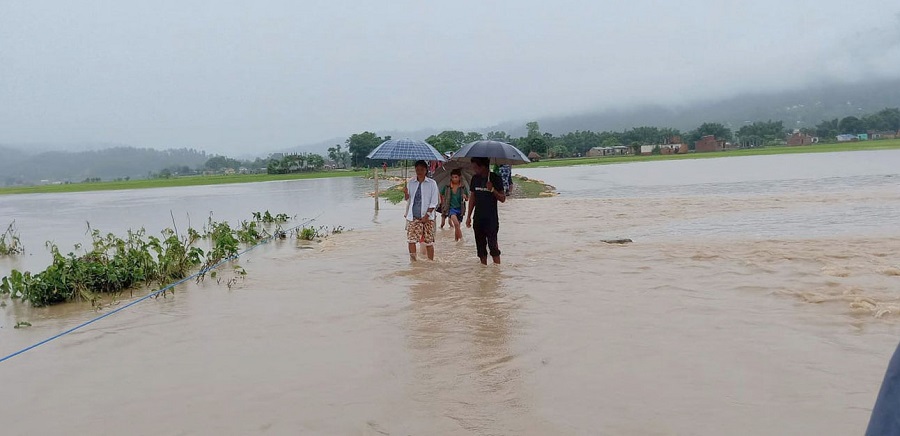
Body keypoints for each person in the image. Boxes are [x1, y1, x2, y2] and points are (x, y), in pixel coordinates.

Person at [466, 157, 506, 264]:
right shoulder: (475, 179)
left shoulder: (495, 178)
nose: (474, 169)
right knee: (481, 249)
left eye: (475, 167)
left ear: (483, 166)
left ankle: (497, 271)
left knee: (493, 246)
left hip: (491, 219)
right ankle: (483, 272)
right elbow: (472, 198)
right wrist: (468, 216)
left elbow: (503, 198)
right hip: (478, 218)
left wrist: (493, 190)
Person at [404, 160, 439, 261]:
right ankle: (413, 262)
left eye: (421, 169)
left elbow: (434, 202)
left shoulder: (432, 183)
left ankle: (431, 262)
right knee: (411, 240)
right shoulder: (411, 183)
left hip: (428, 217)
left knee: (429, 242)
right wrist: (405, 194)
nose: (419, 172)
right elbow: (408, 199)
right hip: (413, 216)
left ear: (426, 170)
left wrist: (426, 216)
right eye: (417, 169)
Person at [441, 168, 469, 241]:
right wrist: (443, 203)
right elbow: (441, 195)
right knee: (456, 224)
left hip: (460, 209)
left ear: (459, 177)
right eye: (453, 177)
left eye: (456, 177)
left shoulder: (463, 188)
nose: (454, 179)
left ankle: (456, 242)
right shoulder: (447, 187)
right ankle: (462, 240)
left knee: (458, 227)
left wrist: (465, 197)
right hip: (451, 209)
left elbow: (467, 199)